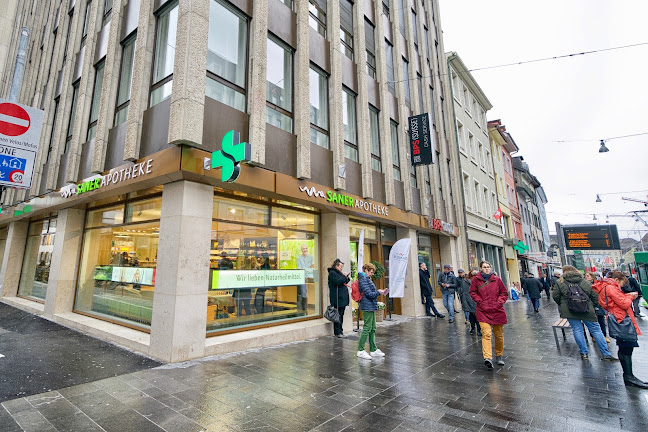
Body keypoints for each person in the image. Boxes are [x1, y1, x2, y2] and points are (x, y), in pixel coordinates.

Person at [592, 271, 646, 388]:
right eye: (622, 283)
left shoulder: (605, 287)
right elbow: (624, 304)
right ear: (617, 280)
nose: (621, 286)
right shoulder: (611, 288)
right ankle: (629, 377)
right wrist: (630, 296)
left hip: (618, 318)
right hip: (621, 320)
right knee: (626, 346)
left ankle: (629, 376)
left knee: (624, 346)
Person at [552, 265, 616, 361]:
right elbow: (594, 296)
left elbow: (556, 296)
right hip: (587, 309)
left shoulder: (560, 282)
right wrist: (593, 306)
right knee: (596, 330)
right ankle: (606, 353)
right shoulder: (584, 281)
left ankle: (584, 353)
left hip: (570, 310)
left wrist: (563, 305)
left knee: (577, 330)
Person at [470, 261, 508, 368]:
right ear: (481, 268)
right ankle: (487, 358)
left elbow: (504, 293)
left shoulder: (497, 280)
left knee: (499, 335)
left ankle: (499, 355)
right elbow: (472, 292)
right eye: (484, 267)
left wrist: (499, 302)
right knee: (486, 334)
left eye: (488, 267)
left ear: (491, 268)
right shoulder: (475, 280)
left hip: (497, 310)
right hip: (483, 310)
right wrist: (480, 301)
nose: (486, 269)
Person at [357, 262, 387, 360]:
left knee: (373, 327)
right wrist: (378, 292)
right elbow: (369, 294)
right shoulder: (363, 279)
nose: (372, 274)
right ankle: (360, 350)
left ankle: (373, 349)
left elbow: (370, 293)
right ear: (366, 270)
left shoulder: (366, 279)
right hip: (367, 306)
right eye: (371, 271)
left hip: (370, 306)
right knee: (367, 327)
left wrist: (378, 291)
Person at [328, 259, 350, 338]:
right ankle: (337, 332)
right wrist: (344, 277)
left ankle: (340, 330)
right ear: (336, 266)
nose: (341, 268)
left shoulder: (338, 273)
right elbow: (338, 282)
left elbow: (343, 282)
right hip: (337, 298)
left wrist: (346, 277)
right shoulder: (332, 273)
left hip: (342, 298)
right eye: (341, 267)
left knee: (341, 314)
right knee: (338, 315)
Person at [585, 271, 610, 343]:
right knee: (592, 321)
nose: (586, 277)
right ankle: (593, 336)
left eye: (588, 276)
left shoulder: (597, 284)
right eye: (585, 276)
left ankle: (604, 335)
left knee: (601, 320)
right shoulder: (584, 285)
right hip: (590, 305)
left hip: (599, 304)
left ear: (592, 277)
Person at [296, 244, 315, 311]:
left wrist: (305, 269)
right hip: (302, 278)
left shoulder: (311, 257)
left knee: (311, 293)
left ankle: (308, 307)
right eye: (303, 248)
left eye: (306, 248)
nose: (305, 250)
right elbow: (299, 269)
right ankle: (304, 308)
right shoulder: (299, 258)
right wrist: (308, 269)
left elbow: (313, 268)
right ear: (301, 250)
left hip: (310, 278)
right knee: (303, 293)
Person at [461, 270, 480, 335]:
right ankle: (475, 329)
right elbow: (465, 292)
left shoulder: (467, 281)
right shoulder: (466, 282)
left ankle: (474, 329)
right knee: (474, 315)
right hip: (472, 300)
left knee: (474, 315)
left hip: (475, 300)